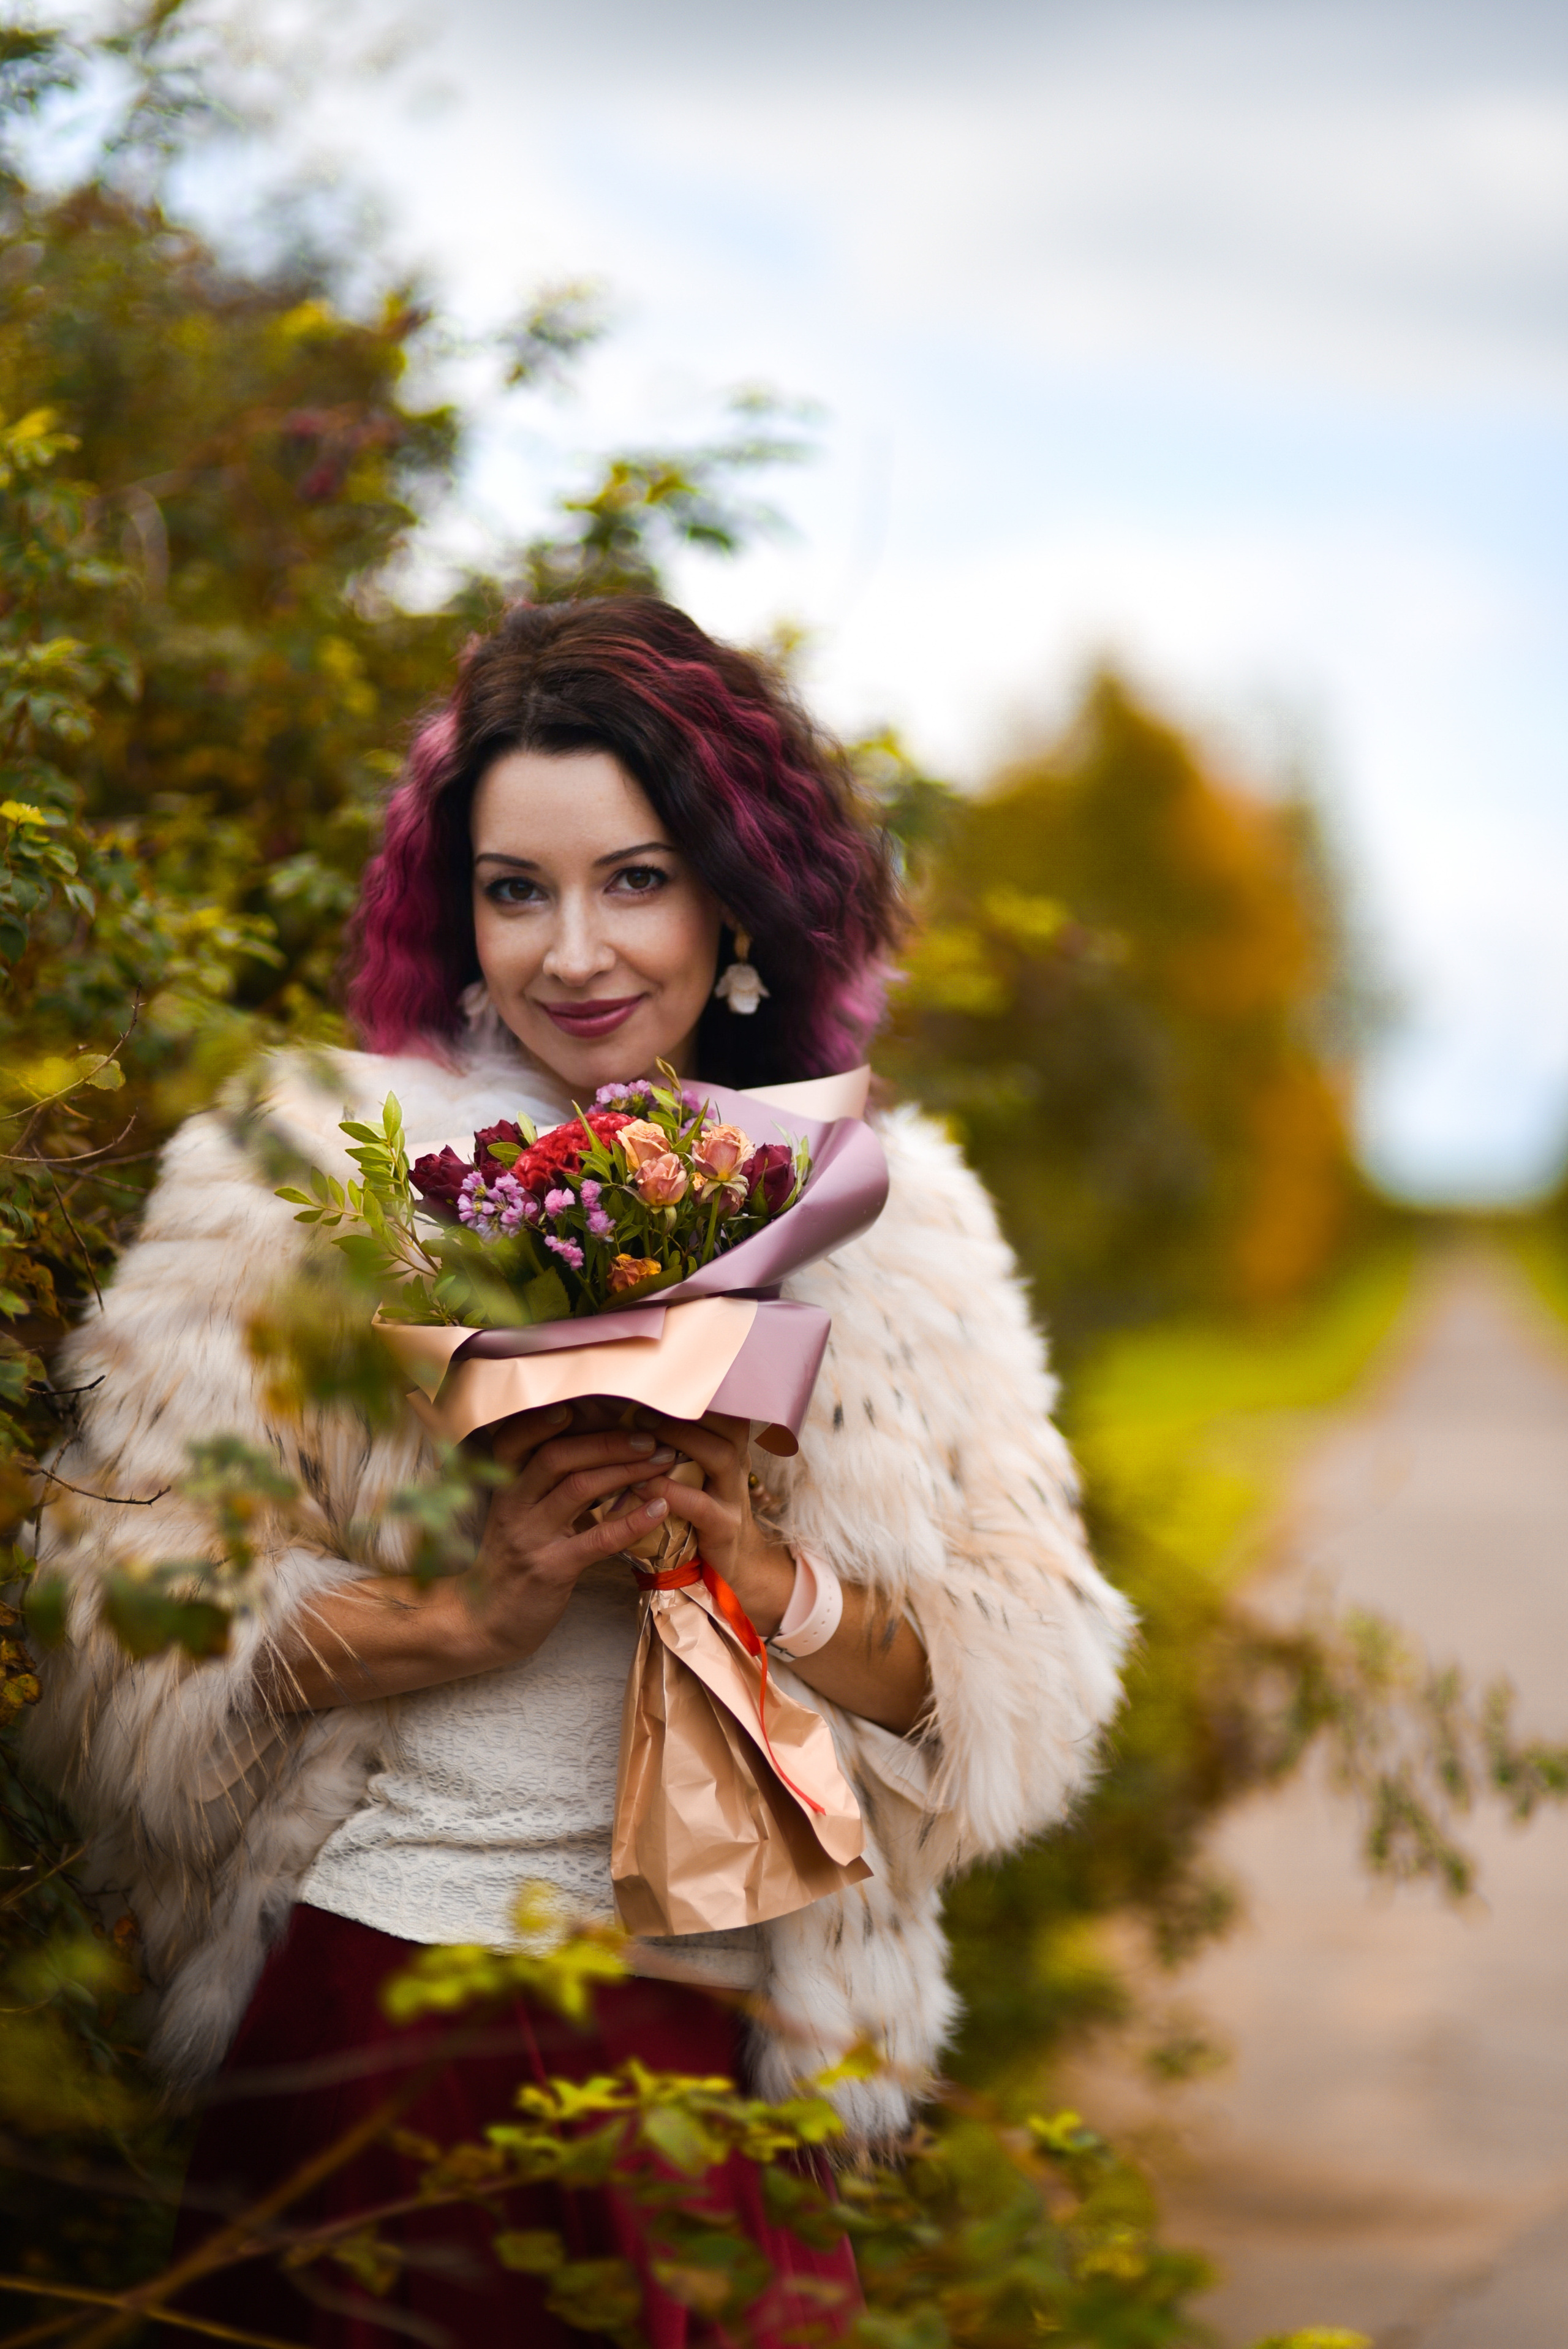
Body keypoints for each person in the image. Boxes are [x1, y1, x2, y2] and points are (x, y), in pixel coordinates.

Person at [23, 597, 1133, 2343]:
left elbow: (1027, 1675)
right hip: (385, 2001)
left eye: (634, 879)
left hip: (730, 2038)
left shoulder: (896, 1224)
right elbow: (110, 1610)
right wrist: (446, 1620)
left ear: (734, 898)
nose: (574, 951)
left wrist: (778, 1586)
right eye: (515, 889)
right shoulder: (298, 1174)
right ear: (456, 910)